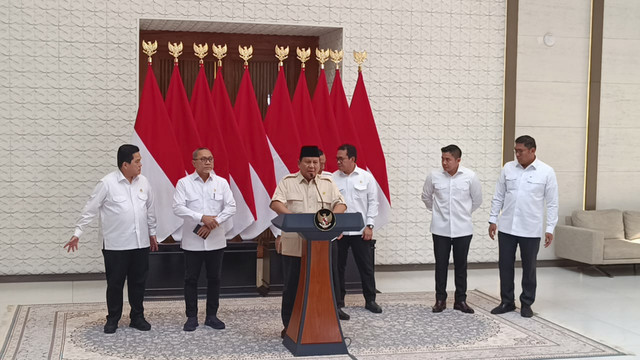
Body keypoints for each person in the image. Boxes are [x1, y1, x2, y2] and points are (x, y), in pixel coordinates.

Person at [64, 144, 158, 334]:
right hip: (116, 245)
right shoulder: (107, 183)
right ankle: (113, 318)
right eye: (137, 161)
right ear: (125, 164)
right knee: (115, 284)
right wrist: (77, 233)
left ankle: (137, 317)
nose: (141, 165)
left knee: (138, 283)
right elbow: (90, 209)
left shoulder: (144, 182)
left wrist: (152, 233)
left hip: (140, 244)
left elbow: (150, 210)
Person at [270, 145, 347, 338]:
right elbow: (276, 203)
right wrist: (293, 219)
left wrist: (330, 218)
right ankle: (290, 326)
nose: (312, 166)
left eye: (315, 162)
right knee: (292, 287)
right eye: (308, 162)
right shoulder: (288, 182)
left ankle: (320, 324)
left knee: (322, 288)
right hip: (295, 245)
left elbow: (341, 204)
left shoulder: (327, 183)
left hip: (321, 247)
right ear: (299, 163)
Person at [488, 135, 558, 318]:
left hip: (530, 228)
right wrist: (492, 219)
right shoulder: (508, 168)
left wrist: (550, 228)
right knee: (505, 265)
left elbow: (552, 203)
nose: (517, 154)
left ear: (532, 150)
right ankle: (507, 302)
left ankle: (526, 303)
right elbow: (498, 195)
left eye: (521, 151)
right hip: (507, 227)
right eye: (515, 151)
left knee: (529, 267)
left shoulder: (547, 172)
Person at [173, 148, 236, 331]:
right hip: (193, 241)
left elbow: (231, 207)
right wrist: (201, 217)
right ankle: (191, 317)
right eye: (203, 159)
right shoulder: (184, 183)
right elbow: (177, 207)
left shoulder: (222, 183)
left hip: (215, 239)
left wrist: (213, 222)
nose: (208, 162)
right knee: (190, 279)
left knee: (214, 278)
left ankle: (211, 316)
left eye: (210, 159)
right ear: (194, 162)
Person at [421, 145, 482, 313]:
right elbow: (426, 196)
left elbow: (477, 200)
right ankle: (440, 300)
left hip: (463, 229)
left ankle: (460, 300)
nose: (444, 163)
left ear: (458, 160)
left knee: (461, 266)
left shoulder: (470, 176)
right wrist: (437, 211)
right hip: (440, 229)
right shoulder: (434, 176)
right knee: (441, 265)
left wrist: (463, 213)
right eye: (442, 159)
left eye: (448, 159)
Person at [332, 144, 382, 314]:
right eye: (337, 158)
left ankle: (370, 300)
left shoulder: (366, 177)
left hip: (361, 230)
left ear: (352, 159)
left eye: (342, 159)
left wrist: (369, 225)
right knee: (338, 267)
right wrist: (333, 228)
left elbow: (373, 203)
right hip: (339, 231)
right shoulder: (332, 179)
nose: (338, 162)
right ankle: (338, 301)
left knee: (366, 266)